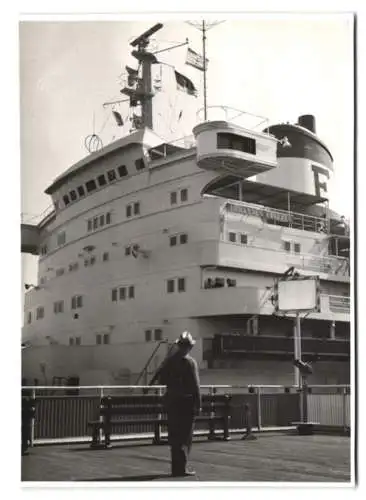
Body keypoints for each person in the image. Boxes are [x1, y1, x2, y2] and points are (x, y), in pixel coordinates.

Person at [157, 331, 201, 477]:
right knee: (185, 436)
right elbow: (196, 386)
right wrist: (198, 404)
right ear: (188, 347)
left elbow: (161, 380)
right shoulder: (190, 362)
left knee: (174, 436)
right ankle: (181, 468)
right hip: (186, 403)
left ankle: (176, 467)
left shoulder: (169, 361)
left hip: (172, 402)